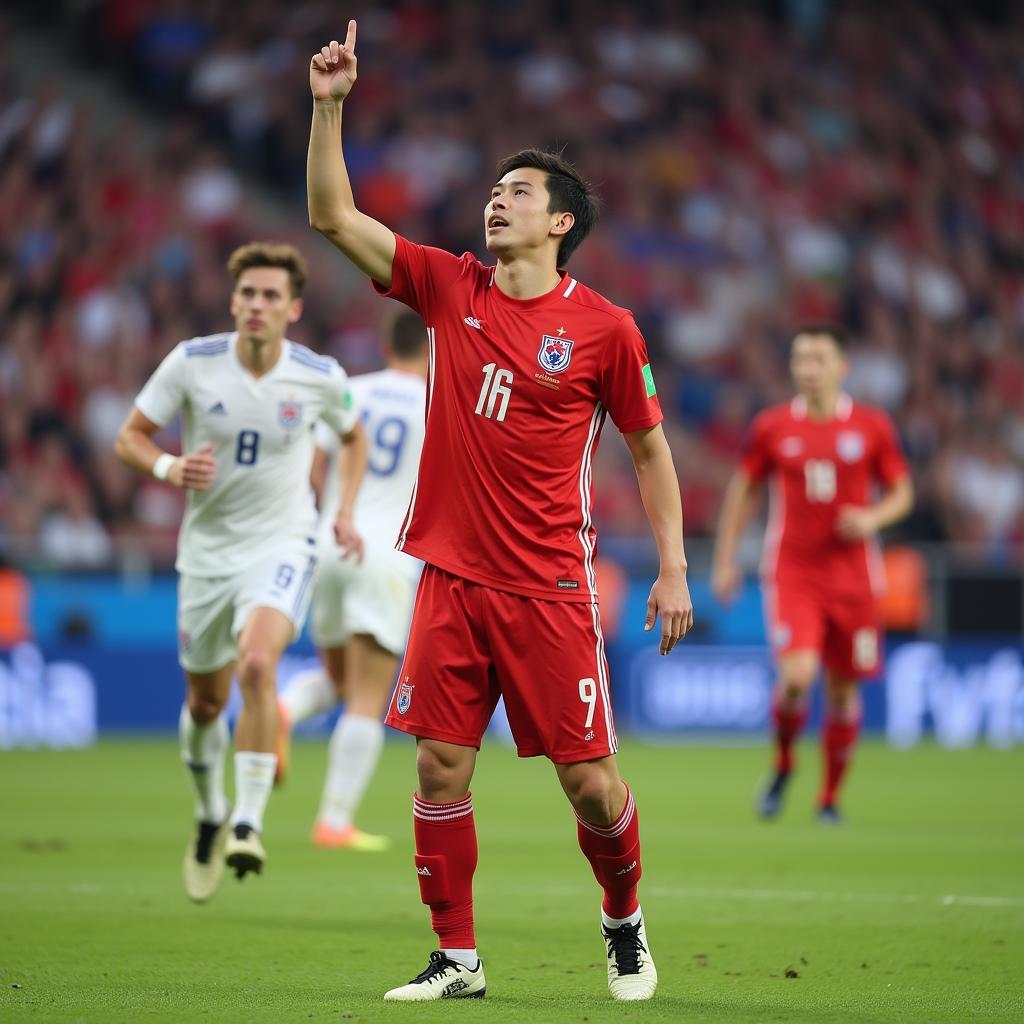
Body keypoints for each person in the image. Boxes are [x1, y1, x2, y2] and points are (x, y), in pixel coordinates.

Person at [307, 23, 693, 1004]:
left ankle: (623, 920)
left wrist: (677, 569)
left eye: (518, 192)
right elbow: (333, 217)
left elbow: (648, 445)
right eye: (495, 189)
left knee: (591, 786)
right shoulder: (450, 286)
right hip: (449, 576)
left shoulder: (605, 328)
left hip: (550, 585)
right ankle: (458, 957)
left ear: (559, 222)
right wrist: (328, 106)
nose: (496, 199)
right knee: (439, 767)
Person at [114, 242, 366, 902]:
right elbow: (129, 437)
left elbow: (353, 434)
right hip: (205, 559)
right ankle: (210, 812)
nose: (257, 306)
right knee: (203, 702)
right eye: (247, 294)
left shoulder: (319, 375)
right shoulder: (194, 364)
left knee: (258, 664)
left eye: (270, 297)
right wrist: (169, 468)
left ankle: (249, 823)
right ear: (233, 301)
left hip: (284, 545)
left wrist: (342, 510)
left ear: (293, 309)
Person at [711, 324, 913, 824]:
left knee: (843, 690)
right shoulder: (773, 426)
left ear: (842, 367)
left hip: (854, 576)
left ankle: (829, 798)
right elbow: (743, 491)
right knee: (798, 677)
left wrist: (871, 518)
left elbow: (902, 493)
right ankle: (783, 763)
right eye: (801, 358)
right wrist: (725, 559)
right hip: (794, 570)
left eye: (820, 358)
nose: (809, 368)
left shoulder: (871, 426)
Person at [276, 308, 428, 852]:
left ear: (387, 344)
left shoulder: (353, 391)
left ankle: (284, 709)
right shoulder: (439, 406)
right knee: (367, 696)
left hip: (330, 544)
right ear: (432, 350)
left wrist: (330, 514)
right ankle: (334, 821)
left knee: (340, 683)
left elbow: (312, 466)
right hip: (387, 557)